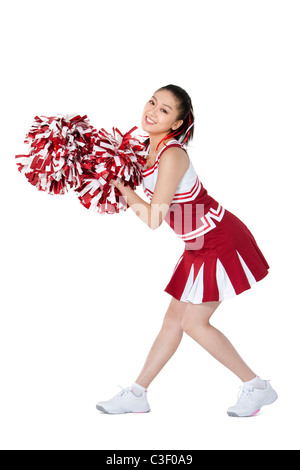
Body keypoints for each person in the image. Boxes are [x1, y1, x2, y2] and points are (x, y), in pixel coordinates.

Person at [96, 84, 278, 418]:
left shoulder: (173, 154)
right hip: (197, 242)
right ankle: (137, 393)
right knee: (172, 321)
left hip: (219, 238)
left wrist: (121, 188)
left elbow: (153, 218)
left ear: (177, 123)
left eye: (164, 110)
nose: (152, 111)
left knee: (195, 323)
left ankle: (258, 387)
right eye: (152, 102)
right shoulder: (145, 149)